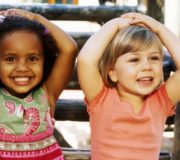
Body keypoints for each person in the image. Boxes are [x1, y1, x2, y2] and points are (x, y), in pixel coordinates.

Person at [0, 9, 77, 159]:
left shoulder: (47, 93)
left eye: (32, 59)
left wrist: (36, 18)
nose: (22, 68)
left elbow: (69, 49)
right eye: (10, 59)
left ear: (45, 62)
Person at [77, 12, 180, 160]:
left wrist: (159, 29)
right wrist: (114, 24)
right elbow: (85, 60)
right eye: (134, 60)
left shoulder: (160, 102)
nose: (147, 66)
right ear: (113, 72)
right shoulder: (101, 99)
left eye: (154, 58)